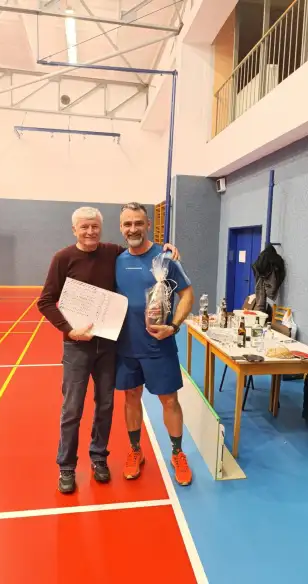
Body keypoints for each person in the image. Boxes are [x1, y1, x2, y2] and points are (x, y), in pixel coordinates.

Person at [37, 206, 179, 494]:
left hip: (109, 345)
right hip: (77, 346)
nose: (90, 232)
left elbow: (141, 250)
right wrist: (69, 330)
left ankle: (99, 457)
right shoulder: (63, 258)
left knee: (105, 405)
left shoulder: (113, 252)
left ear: (101, 228)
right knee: (72, 408)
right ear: (74, 229)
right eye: (84, 227)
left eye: (94, 227)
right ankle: (67, 466)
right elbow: (46, 301)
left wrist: (166, 248)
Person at [115, 202, 195, 487]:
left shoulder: (166, 258)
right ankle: (135, 450)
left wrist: (173, 326)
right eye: (127, 224)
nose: (133, 229)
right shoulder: (116, 260)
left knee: (169, 400)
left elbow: (187, 294)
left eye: (138, 223)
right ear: (121, 228)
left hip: (159, 346)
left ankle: (177, 453)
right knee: (130, 397)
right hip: (125, 347)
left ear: (148, 224)